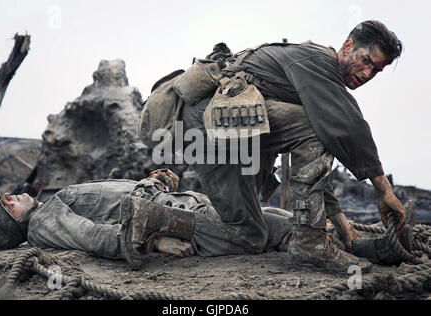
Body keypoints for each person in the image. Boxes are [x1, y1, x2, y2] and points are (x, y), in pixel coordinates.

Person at [174, 20, 406, 270]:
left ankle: (156, 218)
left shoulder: (317, 76)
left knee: (248, 236)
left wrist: (342, 225)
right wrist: (384, 191)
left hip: (218, 133)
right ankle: (309, 245)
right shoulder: (317, 61)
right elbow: (350, 126)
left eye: (376, 71)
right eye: (367, 61)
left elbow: (312, 162)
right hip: (206, 125)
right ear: (348, 45)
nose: (367, 74)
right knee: (318, 126)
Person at [0, 169, 412, 270]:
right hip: (174, 223)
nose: (12, 194)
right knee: (276, 230)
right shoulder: (44, 222)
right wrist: (154, 241)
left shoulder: (51, 202)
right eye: (6, 203)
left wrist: (155, 182)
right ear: (10, 224)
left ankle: (359, 241)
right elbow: (97, 238)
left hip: (180, 206)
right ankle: (365, 252)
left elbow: (116, 200)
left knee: (277, 216)